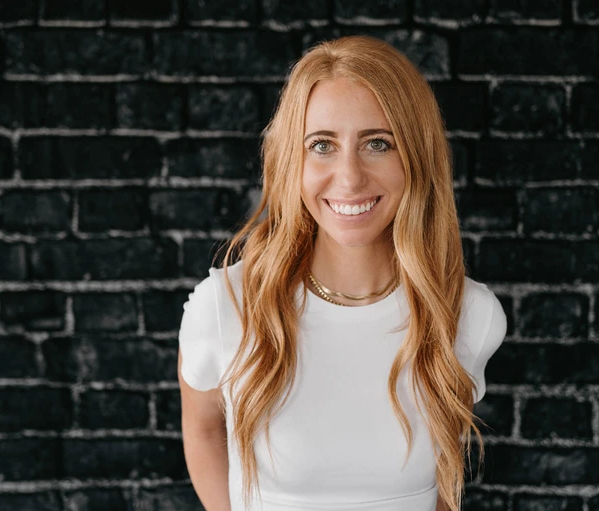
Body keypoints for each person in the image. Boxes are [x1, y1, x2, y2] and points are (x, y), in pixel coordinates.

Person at [177, 35, 507, 511]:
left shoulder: (470, 314)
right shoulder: (226, 307)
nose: (349, 177)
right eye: (322, 145)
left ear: (416, 156)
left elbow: (437, 485)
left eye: (378, 143)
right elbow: (204, 426)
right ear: (294, 160)